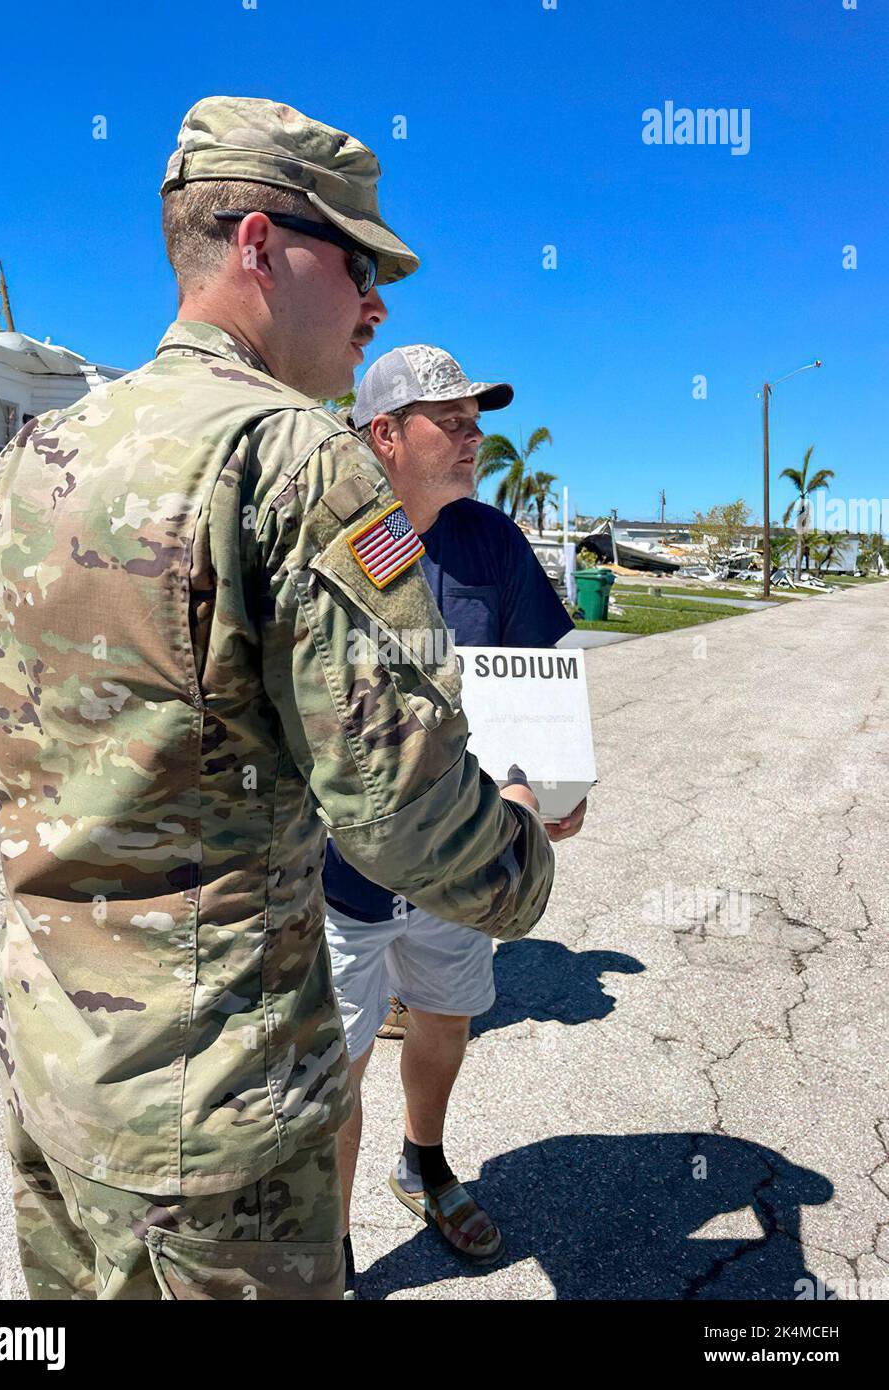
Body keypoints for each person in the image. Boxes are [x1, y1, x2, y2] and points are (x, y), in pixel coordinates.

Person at [0, 97, 556, 1302]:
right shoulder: (304, 460)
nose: (378, 303)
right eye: (360, 263)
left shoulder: (35, 455)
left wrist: (106, 788)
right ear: (259, 245)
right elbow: (396, 803)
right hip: (222, 1116)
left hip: (58, 1070)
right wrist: (520, 853)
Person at [324, 346, 586, 1287]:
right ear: (384, 433)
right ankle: (336, 1244)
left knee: (443, 1016)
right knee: (337, 1066)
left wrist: (553, 783)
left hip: (464, 856)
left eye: (479, 417)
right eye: (452, 418)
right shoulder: (334, 540)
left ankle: (423, 1161)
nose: (476, 434)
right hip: (338, 870)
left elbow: (544, 672)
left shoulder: (491, 542)